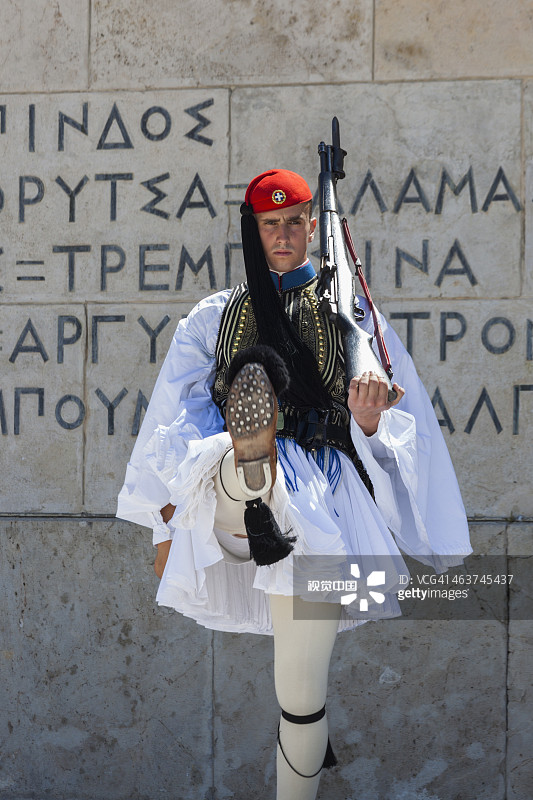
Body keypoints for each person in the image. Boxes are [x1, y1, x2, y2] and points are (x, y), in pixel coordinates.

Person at [117, 168, 472, 800]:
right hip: (234, 492)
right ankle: (252, 466)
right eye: (269, 224)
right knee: (226, 463)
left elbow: (403, 423)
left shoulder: (353, 315)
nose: (282, 235)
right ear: (253, 232)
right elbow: (175, 422)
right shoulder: (217, 317)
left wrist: (368, 419)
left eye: (293, 223)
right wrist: (163, 522)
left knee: (301, 696)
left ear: (313, 226)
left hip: (322, 508)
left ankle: (256, 473)